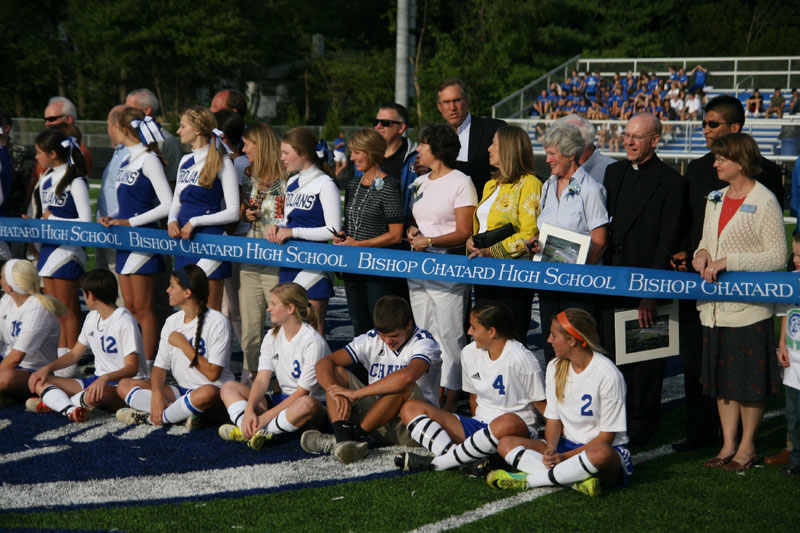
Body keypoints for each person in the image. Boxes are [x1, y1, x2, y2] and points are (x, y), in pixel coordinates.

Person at [674, 95, 784, 453]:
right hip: (714, 307)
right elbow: (706, 240)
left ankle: (747, 446)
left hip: (749, 308)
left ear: (740, 161)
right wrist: (702, 254)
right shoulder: (715, 198)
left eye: (722, 159)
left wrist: (728, 262)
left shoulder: (765, 199)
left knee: (748, 383)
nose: (715, 163)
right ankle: (727, 446)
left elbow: (778, 257)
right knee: (721, 382)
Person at [603, 113, 689, 446]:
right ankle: (617, 416)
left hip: (648, 280)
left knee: (647, 358)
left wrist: (650, 292)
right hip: (612, 280)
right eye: (626, 135)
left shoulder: (672, 182)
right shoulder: (614, 172)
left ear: (655, 140)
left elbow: (668, 239)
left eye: (637, 137)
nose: (629, 141)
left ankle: (644, 421)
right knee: (614, 353)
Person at [486, 309, 631, 498]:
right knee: (506, 444)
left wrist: (563, 458)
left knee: (601, 454)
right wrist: (551, 449)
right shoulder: (555, 366)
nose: (548, 340)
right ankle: (576, 481)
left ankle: (529, 481)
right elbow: (553, 420)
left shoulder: (608, 375)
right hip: (565, 445)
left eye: (554, 335)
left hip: (597, 451)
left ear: (572, 340)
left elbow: (606, 439)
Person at [394, 302, 546, 473]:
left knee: (507, 421)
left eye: (474, 327)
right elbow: (473, 398)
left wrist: (555, 444)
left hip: (514, 431)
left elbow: (543, 407)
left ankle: (438, 463)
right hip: (478, 426)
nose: (469, 332)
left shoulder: (522, 358)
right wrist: (479, 439)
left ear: (492, 331)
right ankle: (464, 459)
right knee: (409, 408)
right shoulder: (468, 353)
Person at [299, 295, 442, 464]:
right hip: (376, 419)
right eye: (383, 336)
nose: (388, 341)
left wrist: (357, 394)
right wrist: (333, 391)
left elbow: (408, 376)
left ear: (409, 325)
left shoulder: (424, 343)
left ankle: (351, 436)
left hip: (413, 426)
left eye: (394, 336)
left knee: (403, 385)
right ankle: (345, 440)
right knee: (336, 373)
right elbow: (324, 363)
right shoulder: (371, 338)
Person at [406, 123, 477, 412]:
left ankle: (450, 401)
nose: (418, 150)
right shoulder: (421, 182)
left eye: (422, 144)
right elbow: (420, 223)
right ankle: (429, 396)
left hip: (448, 268)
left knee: (450, 336)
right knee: (424, 333)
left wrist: (430, 240)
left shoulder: (461, 181)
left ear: (436, 149)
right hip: (418, 268)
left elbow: (464, 231)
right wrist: (414, 233)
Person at [116, 265, 234, 428]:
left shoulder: (217, 321)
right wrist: (157, 395)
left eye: (172, 286)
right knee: (124, 385)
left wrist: (184, 345)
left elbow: (213, 374)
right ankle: (180, 414)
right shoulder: (172, 321)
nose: (167, 290)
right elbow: (159, 368)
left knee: (207, 392)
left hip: (215, 393)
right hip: (182, 391)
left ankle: (156, 417)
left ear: (187, 293)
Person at [98, 106, 172, 367]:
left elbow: (167, 204)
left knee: (143, 308)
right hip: (124, 241)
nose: (110, 131)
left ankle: (150, 367)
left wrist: (129, 222)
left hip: (143, 241)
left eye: (113, 126)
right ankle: (134, 363)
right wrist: (113, 216)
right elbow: (129, 202)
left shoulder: (149, 159)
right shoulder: (128, 159)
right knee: (129, 307)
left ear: (123, 129)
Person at [26, 269, 147, 422]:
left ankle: (57, 404)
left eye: (83, 293)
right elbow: (74, 354)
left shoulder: (124, 321)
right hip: (97, 381)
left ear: (91, 295)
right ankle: (70, 408)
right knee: (40, 381)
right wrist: (46, 369)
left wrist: (105, 378)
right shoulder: (92, 317)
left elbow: (132, 368)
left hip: (123, 385)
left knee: (97, 393)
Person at [218, 283, 328, 449]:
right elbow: (262, 379)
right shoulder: (272, 335)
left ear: (290, 308)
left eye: (273, 304)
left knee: (306, 404)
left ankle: (258, 430)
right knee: (229, 388)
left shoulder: (312, 341)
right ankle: (248, 427)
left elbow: (302, 393)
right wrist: (249, 410)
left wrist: (264, 418)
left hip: (311, 406)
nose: (268, 309)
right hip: (283, 401)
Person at [535, 123, 609, 366]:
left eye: (552, 154)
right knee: (552, 345)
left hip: (577, 287)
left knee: (576, 346)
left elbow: (600, 240)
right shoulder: (547, 186)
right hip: (548, 281)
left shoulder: (591, 189)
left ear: (570, 154)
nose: (547, 159)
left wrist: (578, 273)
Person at [466, 125, 542, 343]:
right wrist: (472, 243)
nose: (489, 148)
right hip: (484, 272)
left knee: (509, 340)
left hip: (512, 277)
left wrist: (491, 251)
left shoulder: (530, 184)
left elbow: (529, 234)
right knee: (484, 340)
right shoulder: (491, 184)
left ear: (509, 149)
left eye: (495, 144)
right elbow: (481, 226)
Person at [266, 127, 341, 334]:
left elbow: (334, 230)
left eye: (286, 153)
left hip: (314, 264)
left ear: (304, 153)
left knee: (312, 331)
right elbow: (280, 218)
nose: (282, 158)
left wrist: (292, 232)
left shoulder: (326, 184)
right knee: (284, 331)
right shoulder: (289, 182)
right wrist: (275, 227)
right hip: (289, 261)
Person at [334, 127, 405, 336]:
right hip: (351, 266)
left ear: (372, 152)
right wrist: (342, 236)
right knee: (358, 324)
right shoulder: (354, 184)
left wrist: (359, 244)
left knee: (379, 325)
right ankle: (361, 368)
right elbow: (351, 225)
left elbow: (395, 234)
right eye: (352, 152)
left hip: (377, 268)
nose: (352, 157)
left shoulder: (389, 186)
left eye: (357, 152)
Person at [168, 106, 240, 311]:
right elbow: (177, 201)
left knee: (210, 312)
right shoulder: (185, 160)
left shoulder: (222, 162)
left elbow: (233, 212)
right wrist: (171, 220)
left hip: (211, 242)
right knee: (186, 310)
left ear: (198, 130)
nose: (178, 131)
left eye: (182, 126)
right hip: (184, 243)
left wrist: (195, 221)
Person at [33, 129, 91, 363]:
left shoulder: (75, 179)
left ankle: (71, 362)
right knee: (54, 311)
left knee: (68, 310)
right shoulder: (46, 177)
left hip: (68, 250)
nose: (36, 157)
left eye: (39, 152)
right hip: (48, 248)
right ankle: (59, 358)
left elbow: (87, 221)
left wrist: (53, 220)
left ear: (53, 153)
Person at [237, 122, 287, 384]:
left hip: (277, 257)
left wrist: (271, 219)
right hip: (251, 253)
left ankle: (281, 375)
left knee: (280, 322)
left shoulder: (286, 174)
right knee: (250, 323)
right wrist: (247, 211)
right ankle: (250, 375)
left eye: (247, 144)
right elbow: (247, 204)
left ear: (261, 144)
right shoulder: (249, 173)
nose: (243, 149)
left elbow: (291, 215)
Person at [0, 260, 64, 404]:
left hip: (32, 370)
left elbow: (17, 357)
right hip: (7, 360)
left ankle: (11, 394)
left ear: (10, 286)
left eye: (2, 277)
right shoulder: (7, 299)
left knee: (5, 379)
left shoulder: (38, 308)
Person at [213, 109, 248, 350]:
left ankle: (250, 366)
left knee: (234, 309)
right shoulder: (236, 161)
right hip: (232, 236)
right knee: (226, 308)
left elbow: (237, 208)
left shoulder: (236, 164)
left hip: (235, 238)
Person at [436, 78, 506, 194]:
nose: (452, 107)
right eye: (446, 102)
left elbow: (507, 168)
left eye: (457, 100)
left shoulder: (494, 129)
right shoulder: (434, 136)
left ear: (467, 101)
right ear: (439, 107)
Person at [775, 233, 800, 475]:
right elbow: (784, 314)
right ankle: (796, 461)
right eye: (795, 254)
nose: (795, 259)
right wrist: (782, 343)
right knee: (793, 414)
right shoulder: (791, 280)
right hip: (792, 360)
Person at [95, 105, 130, 275]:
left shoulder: (129, 154)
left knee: (118, 279)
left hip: (117, 227)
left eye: (108, 125)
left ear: (116, 126)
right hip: (106, 225)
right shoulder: (119, 151)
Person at [126, 88, 183, 183]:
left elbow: (173, 183)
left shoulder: (167, 142)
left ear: (146, 111)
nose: (124, 114)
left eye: (129, 109)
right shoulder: (128, 137)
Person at [373, 103, 419, 219]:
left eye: (385, 123)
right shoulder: (367, 156)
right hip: (369, 234)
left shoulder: (417, 159)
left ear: (401, 128)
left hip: (403, 233)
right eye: (376, 122)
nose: (378, 126)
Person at [554, 114, 615, 184]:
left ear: (579, 143)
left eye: (562, 140)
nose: (557, 146)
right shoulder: (559, 168)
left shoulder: (613, 170)